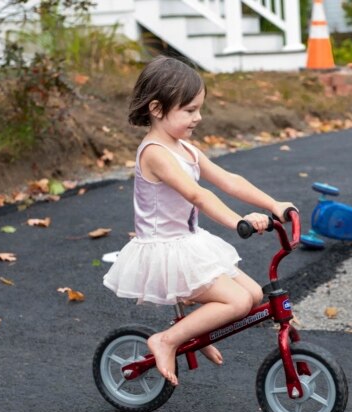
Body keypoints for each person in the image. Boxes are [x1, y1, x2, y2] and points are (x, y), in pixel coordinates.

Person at [103, 56, 295, 386]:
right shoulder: (155, 153)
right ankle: (167, 340)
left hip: (188, 241)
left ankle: (191, 333)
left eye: (199, 109)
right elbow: (198, 195)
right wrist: (239, 223)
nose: (198, 117)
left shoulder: (186, 149)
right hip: (164, 248)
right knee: (235, 301)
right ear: (157, 109)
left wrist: (273, 204)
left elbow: (228, 179)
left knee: (251, 294)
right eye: (190, 110)